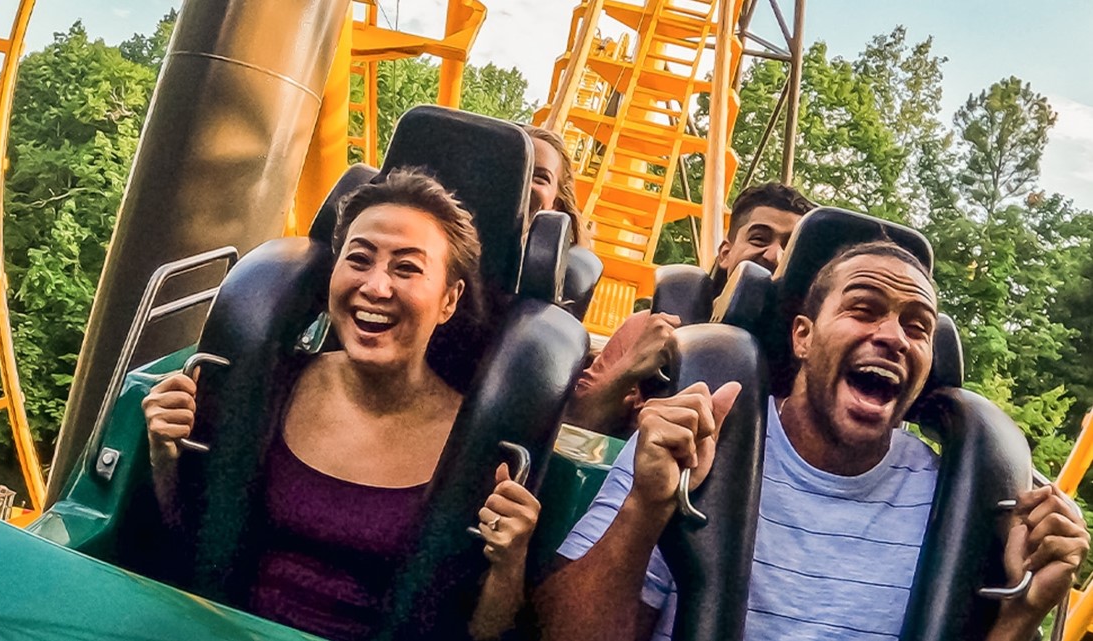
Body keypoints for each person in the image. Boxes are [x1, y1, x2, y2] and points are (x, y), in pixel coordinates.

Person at [536, 241, 1089, 641]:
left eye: (917, 326)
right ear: (803, 337)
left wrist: (1023, 612)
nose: (893, 336)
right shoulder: (701, 441)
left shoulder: (955, 499)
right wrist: (645, 507)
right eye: (864, 309)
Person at [143, 169, 540, 641]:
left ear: (449, 299)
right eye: (359, 259)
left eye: (407, 268)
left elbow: (482, 632)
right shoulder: (268, 386)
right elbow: (180, 543)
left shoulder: (477, 445)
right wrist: (164, 454)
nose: (375, 286)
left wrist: (509, 563)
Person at [565, 182, 814, 437]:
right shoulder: (652, 326)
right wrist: (630, 367)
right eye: (759, 239)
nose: (774, 255)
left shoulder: (809, 356)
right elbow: (573, 429)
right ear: (725, 254)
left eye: (790, 249)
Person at [524, 124, 589, 247]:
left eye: (540, 178)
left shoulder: (565, 265)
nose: (523, 182)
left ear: (557, 204)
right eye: (511, 170)